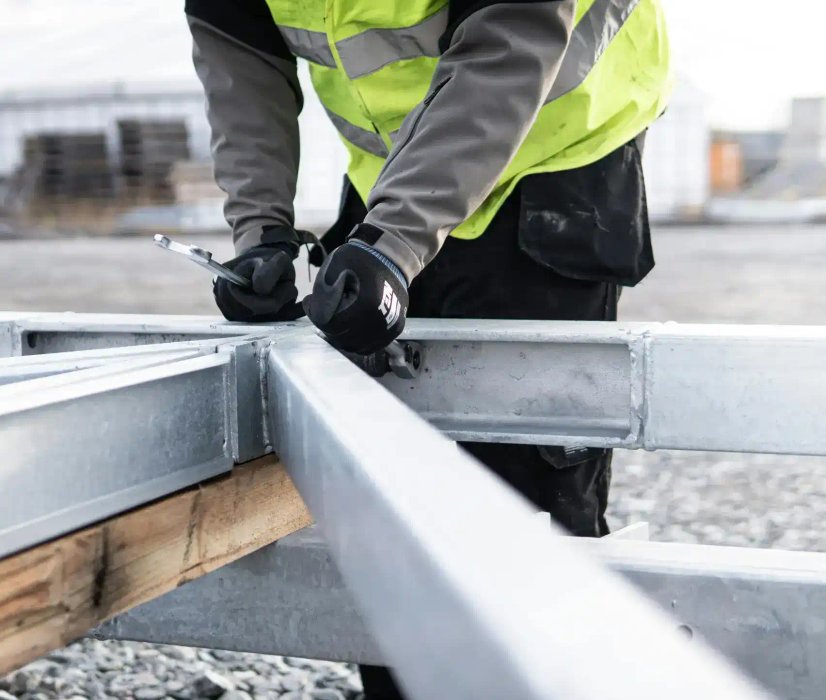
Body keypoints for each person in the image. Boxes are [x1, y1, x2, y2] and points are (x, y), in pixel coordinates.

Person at [185, 0, 671, 696]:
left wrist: (396, 242)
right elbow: (242, 59)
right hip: (394, 164)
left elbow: (513, 36)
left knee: (523, 494)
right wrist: (260, 232)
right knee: (378, 476)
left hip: (552, 147)